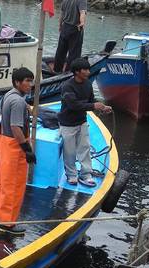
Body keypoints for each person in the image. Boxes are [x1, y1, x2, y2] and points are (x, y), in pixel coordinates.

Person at [0, 67, 35, 236]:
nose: (30, 84)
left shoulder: (7, 96)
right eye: (27, 81)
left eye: (31, 81)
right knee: (12, 186)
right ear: (17, 82)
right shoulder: (19, 102)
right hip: (12, 147)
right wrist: (27, 149)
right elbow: (15, 127)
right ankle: (7, 224)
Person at [58, 58, 112, 187]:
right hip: (67, 123)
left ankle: (86, 174)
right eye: (85, 69)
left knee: (85, 148)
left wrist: (102, 108)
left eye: (88, 69)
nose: (88, 72)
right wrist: (94, 106)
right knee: (69, 151)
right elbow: (73, 105)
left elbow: (91, 100)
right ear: (77, 72)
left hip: (81, 121)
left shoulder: (88, 84)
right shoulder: (67, 86)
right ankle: (71, 175)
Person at [53, 0, 87, 73]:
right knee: (74, 53)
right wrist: (82, 23)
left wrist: (60, 25)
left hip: (64, 27)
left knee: (60, 51)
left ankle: (57, 70)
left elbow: (62, 14)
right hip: (75, 28)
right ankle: (70, 72)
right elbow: (82, 12)